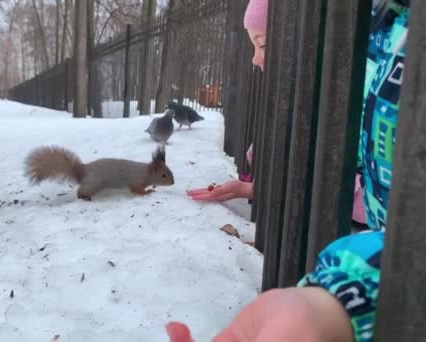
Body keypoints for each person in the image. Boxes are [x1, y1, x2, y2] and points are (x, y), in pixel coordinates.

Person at [168, 0, 409, 340]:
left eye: (263, 44)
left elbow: (343, 173)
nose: (255, 58)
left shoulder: (365, 66)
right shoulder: (384, 30)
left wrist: (338, 301)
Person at [185, 0, 368, 228]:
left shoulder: (346, 87)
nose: (254, 58)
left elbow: (317, 172)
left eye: (261, 46)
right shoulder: (306, 85)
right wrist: (251, 188)